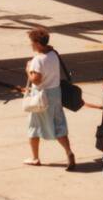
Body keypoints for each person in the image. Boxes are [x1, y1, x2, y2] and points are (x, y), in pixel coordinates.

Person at [21, 27, 76, 170]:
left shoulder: (37, 60)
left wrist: (28, 69)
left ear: (38, 43)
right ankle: (69, 152)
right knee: (58, 125)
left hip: (41, 97)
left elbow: (36, 80)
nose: (31, 45)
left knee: (34, 126)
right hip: (55, 94)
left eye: (32, 42)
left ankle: (35, 158)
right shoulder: (53, 54)